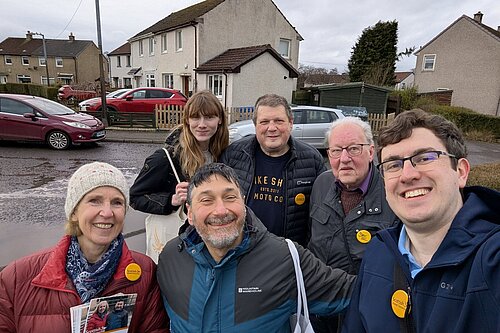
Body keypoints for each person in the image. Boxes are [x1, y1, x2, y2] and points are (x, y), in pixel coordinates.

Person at [342, 109, 500, 332]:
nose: (407, 175)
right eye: (393, 165)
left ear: (461, 172)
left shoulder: (493, 261)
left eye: (425, 158)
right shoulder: (379, 252)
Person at [157, 163, 355, 332]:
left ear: (244, 203)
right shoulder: (171, 258)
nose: (220, 210)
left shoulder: (284, 258)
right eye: (206, 200)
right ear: (189, 214)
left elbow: (353, 292)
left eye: (230, 197)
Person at [0, 162, 168, 332]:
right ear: (74, 212)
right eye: (95, 201)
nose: (107, 212)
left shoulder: (145, 272)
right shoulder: (15, 279)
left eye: (117, 202)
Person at [308, 117, 398, 333]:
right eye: (336, 150)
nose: (344, 158)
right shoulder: (321, 184)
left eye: (354, 149)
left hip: (367, 311)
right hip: (321, 307)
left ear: (371, 151)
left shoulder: (392, 193)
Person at [220, 94, 326, 246]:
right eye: (264, 122)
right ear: (255, 124)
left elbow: (320, 214)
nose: (272, 128)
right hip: (241, 249)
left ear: (290, 123)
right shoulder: (233, 155)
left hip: (287, 253)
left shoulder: (312, 160)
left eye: (279, 121)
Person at [130, 90, 229, 245]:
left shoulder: (225, 155)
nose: (202, 124)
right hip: (177, 242)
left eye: (209, 117)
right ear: (187, 120)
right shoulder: (166, 158)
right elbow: (135, 198)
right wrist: (172, 200)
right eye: (195, 117)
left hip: (211, 239)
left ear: (220, 120)